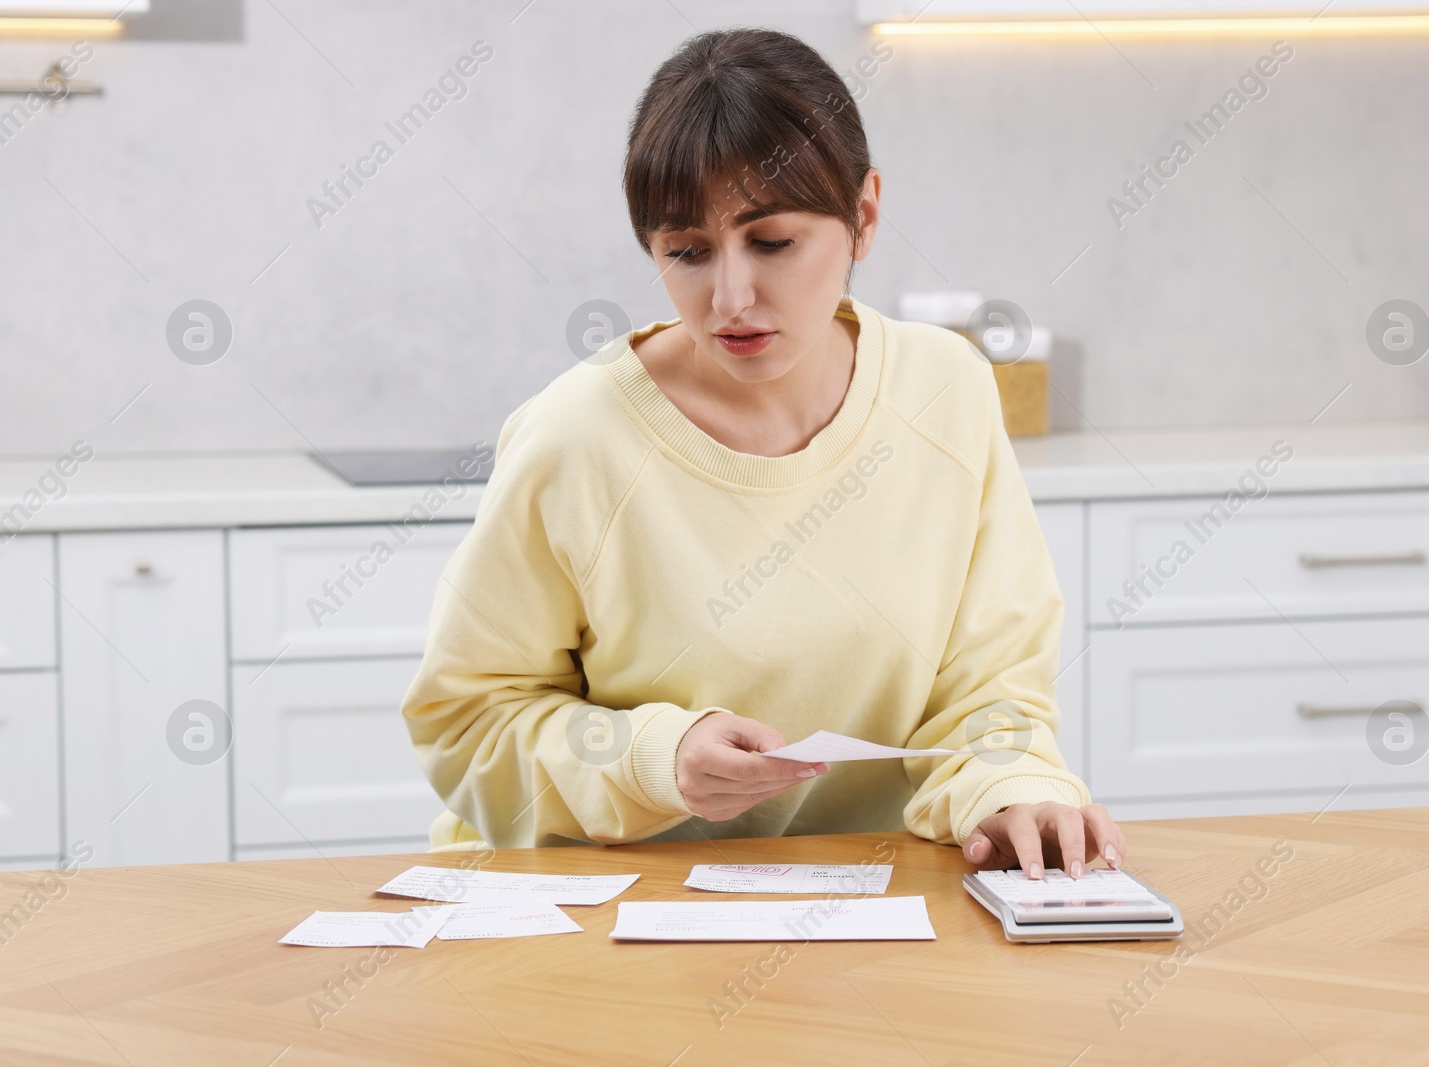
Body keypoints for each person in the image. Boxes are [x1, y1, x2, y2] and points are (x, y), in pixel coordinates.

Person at [400, 26, 1126, 880]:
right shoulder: (577, 436)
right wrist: (655, 757)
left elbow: (992, 692)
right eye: (687, 253)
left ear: (863, 215)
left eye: (772, 241)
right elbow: (469, 723)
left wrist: (1016, 787)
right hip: (605, 915)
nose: (731, 298)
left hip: (871, 906)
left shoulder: (946, 392)